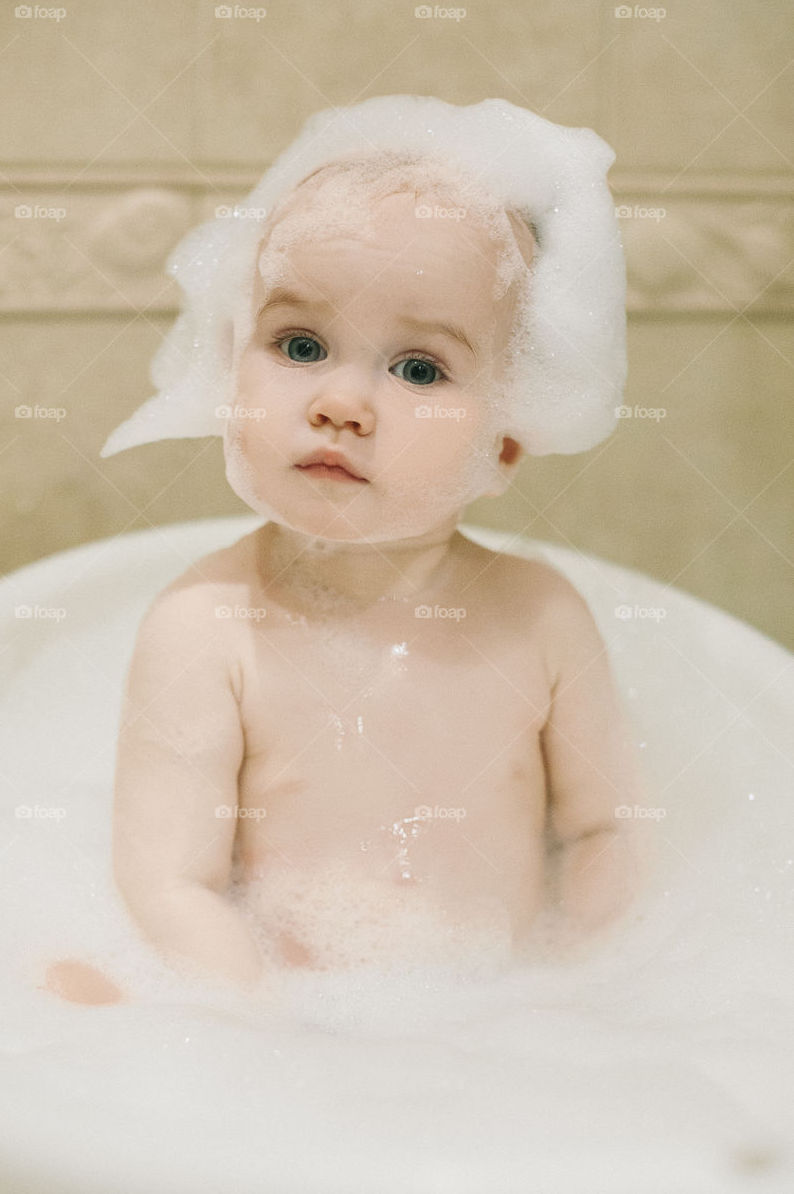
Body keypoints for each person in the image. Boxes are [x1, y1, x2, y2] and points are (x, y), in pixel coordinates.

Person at [46, 97, 647, 1003]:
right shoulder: (204, 629)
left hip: (509, 1030)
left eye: (417, 369)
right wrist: (260, 1033)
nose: (340, 401)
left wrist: (580, 995)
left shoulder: (542, 617)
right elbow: (171, 883)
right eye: (299, 344)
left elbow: (610, 831)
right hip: (292, 1034)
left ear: (506, 446)